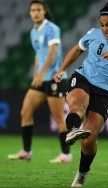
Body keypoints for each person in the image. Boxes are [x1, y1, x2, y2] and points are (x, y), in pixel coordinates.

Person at [53, 1, 108, 187]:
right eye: (102, 25)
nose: (105, 29)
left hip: (106, 90)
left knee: (89, 141)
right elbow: (77, 49)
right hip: (84, 77)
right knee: (77, 105)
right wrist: (62, 69)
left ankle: (82, 173)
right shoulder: (93, 34)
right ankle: (73, 130)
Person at [8, 0, 72, 163]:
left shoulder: (51, 28)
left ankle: (66, 154)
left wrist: (41, 73)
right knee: (25, 112)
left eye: (38, 9)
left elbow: (52, 53)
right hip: (41, 79)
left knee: (58, 117)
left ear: (44, 12)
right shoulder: (33, 32)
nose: (35, 12)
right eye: (33, 10)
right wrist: (36, 75)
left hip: (55, 79)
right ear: (30, 13)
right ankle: (26, 151)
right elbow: (39, 55)